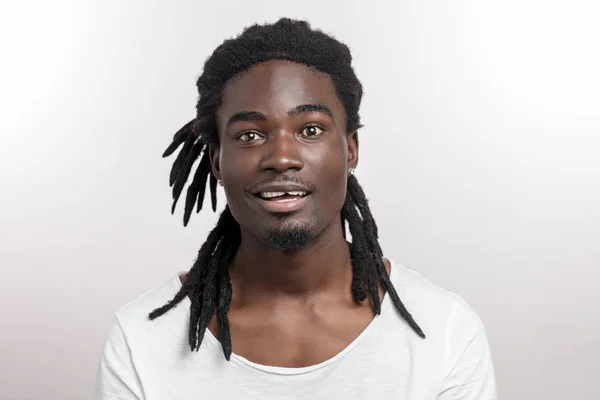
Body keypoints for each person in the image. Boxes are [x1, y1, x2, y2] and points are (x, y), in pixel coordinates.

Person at [94, 18, 497, 400]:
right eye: (250, 135)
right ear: (217, 160)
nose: (282, 157)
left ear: (351, 148)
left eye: (311, 130)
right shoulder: (142, 341)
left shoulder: (445, 332)